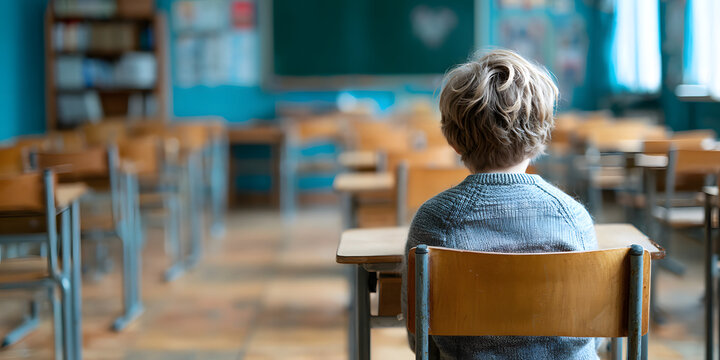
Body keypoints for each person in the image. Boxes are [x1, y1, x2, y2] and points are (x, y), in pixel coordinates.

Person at [402, 49, 599, 359]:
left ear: (452, 141)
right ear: (541, 136)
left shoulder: (433, 219)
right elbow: (593, 332)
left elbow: (421, 340)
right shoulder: (574, 218)